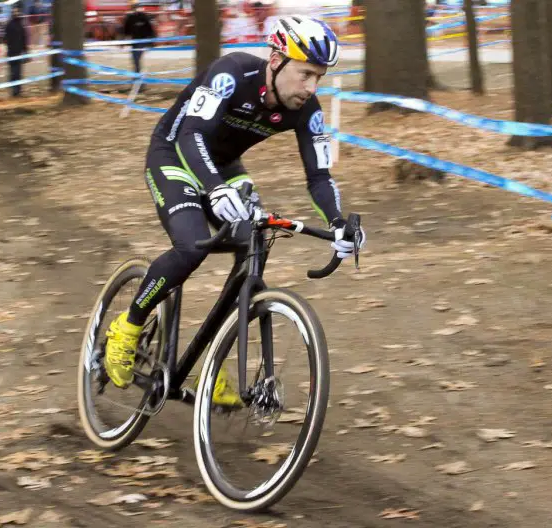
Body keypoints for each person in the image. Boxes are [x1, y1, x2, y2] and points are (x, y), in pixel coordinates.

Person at [103, 15, 366, 405]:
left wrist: (339, 222)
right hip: (174, 153)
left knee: (252, 243)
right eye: (306, 74)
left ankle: (213, 359)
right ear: (276, 60)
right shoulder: (232, 74)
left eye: (318, 78)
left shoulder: (307, 109)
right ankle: (128, 326)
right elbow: (192, 134)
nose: (311, 87)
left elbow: (319, 176)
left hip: (224, 166)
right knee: (193, 246)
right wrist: (213, 189)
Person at [121, 0, 155, 74]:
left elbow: (150, 29)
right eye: (135, 7)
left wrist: (151, 43)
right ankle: (138, 74)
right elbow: (126, 31)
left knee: (136, 58)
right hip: (134, 42)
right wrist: (122, 43)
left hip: (143, 41)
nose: (137, 9)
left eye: (138, 7)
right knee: (134, 59)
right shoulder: (130, 18)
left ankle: (138, 74)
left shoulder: (144, 17)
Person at [4, 4, 28, 97]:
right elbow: (6, 39)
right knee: (14, 71)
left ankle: (17, 89)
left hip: (19, 52)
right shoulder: (9, 25)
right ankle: (14, 89)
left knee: (18, 71)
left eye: (17, 12)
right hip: (12, 51)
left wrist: (26, 50)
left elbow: (24, 39)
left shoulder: (21, 25)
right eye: (15, 12)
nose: (16, 13)